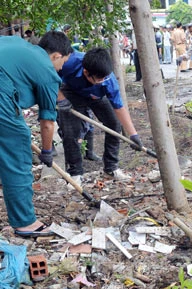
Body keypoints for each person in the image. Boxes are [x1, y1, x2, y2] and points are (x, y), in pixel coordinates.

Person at [0, 31, 72, 236]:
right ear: (57, 55)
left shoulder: (18, 45)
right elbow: (47, 122)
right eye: (63, 63)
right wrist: (47, 151)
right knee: (17, 151)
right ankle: (25, 222)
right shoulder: (47, 69)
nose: (60, 69)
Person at [57, 47, 144, 185]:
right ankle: (75, 173)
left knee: (114, 124)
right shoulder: (69, 63)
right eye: (99, 78)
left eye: (105, 77)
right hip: (71, 93)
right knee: (70, 132)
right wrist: (61, 98)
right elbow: (48, 77)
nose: (103, 80)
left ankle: (111, 167)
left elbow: (119, 107)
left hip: (96, 95)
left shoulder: (108, 82)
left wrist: (133, 135)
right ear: (86, 72)